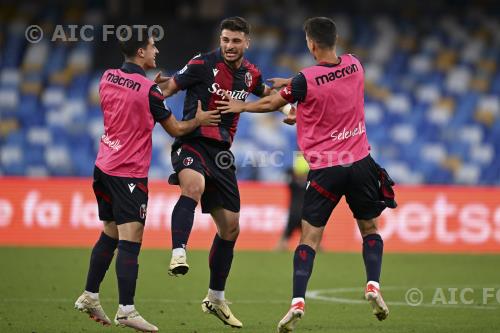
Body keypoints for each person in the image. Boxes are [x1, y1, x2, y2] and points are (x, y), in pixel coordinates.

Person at [216, 17, 397, 333]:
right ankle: (373, 284)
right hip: (360, 163)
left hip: (327, 169)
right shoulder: (355, 65)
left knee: (310, 237)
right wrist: (290, 82)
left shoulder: (305, 80)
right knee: (369, 229)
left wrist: (241, 107)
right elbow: (327, 82)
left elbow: (276, 101)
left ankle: (297, 301)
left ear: (311, 44)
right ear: (335, 39)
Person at [74, 27, 220, 332]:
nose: (156, 51)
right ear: (141, 52)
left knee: (110, 232)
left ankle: (90, 294)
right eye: (152, 47)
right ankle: (126, 310)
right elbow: (178, 130)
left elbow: (125, 101)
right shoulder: (149, 91)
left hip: (103, 165)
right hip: (128, 173)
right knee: (131, 238)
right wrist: (200, 120)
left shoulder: (107, 77)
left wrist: (146, 90)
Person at [154, 16, 275, 328]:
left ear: (247, 42)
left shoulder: (250, 75)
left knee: (231, 229)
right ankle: (178, 251)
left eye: (236, 41)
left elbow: (267, 92)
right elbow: (168, 88)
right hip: (192, 142)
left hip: (222, 154)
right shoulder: (200, 64)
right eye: (225, 40)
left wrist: (290, 110)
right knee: (191, 188)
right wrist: (155, 88)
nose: (229, 46)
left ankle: (216, 298)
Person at [275, 153, 309, 251]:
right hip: (300, 214)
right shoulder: (306, 184)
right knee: (311, 238)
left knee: (285, 239)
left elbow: (287, 174)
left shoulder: (293, 183)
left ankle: (281, 246)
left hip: (296, 213)